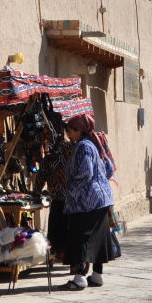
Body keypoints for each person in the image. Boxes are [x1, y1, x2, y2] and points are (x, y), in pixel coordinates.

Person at [62, 114, 117, 290]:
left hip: (86, 201)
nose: (69, 135)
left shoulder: (83, 146)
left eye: (70, 131)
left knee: (81, 237)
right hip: (102, 199)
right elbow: (109, 169)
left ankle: (79, 278)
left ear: (79, 130)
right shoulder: (95, 144)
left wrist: (72, 189)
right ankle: (97, 275)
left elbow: (85, 172)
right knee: (99, 237)